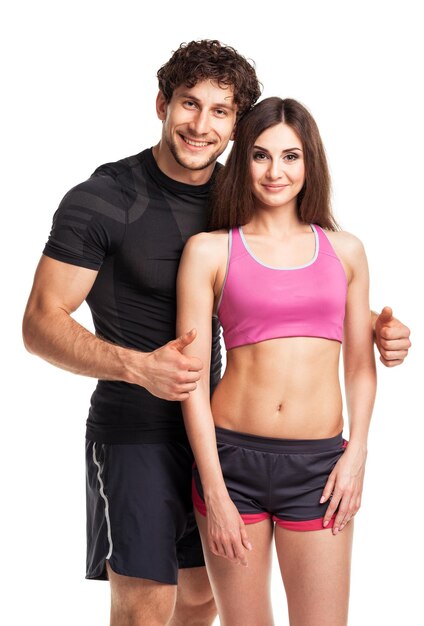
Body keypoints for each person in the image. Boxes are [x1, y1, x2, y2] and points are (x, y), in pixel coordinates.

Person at [21, 39, 410, 626]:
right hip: (138, 432)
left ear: (236, 124)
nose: (201, 125)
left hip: (217, 431)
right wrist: (136, 366)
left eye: (221, 111)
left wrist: (376, 326)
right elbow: (39, 322)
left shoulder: (240, 194)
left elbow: (291, 276)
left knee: (200, 597)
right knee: (148, 602)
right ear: (161, 104)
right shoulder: (104, 199)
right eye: (189, 104)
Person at [176, 96, 392, 626]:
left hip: (319, 469)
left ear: (309, 162)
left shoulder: (345, 251)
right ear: (241, 162)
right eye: (260, 156)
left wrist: (356, 452)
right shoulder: (209, 251)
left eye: (291, 156)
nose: (276, 171)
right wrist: (215, 490)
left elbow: (360, 366)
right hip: (231, 464)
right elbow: (191, 382)